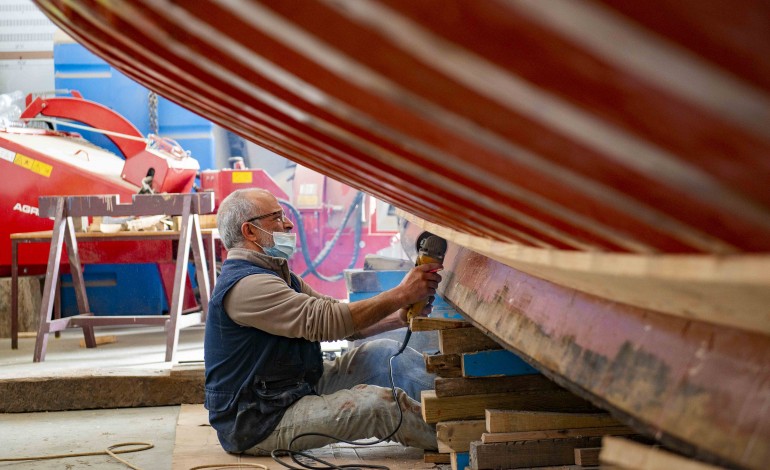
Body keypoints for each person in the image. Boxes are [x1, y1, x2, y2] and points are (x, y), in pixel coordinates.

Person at [204, 188, 443, 456]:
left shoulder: (278, 276)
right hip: (259, 419)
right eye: (277, 216)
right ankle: (461, 439)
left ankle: (460, 405)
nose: (288, 223)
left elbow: (344, 321)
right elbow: (327, 322)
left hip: (289, 389)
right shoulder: (247, 286)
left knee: (382, 354)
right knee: (379, 407)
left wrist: (397, 317)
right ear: (249, 232)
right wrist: (401, 293)